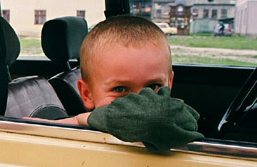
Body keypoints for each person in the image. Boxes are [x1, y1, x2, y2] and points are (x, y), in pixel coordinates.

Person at [39, 15, 203, 151]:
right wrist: (79, 121)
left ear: (170, 82)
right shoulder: (82, 142)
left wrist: (83, 118)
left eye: (153, 86)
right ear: (87, 94)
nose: (139, 101)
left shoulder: (177, 118)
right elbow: (151, 117)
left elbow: (159, 118)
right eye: (120, 89)